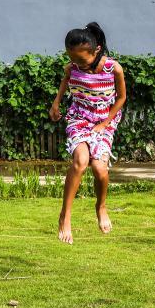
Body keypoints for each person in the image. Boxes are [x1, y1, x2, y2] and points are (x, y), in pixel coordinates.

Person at [50, 22, 127, 245]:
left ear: (96, 50)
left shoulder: (113, 68)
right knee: (80, 161)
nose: (77, 64)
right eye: (72, 58)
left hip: (104, 120)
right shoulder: (72, 67)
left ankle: (101, 206)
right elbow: (65, 82)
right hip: (79, 117)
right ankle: (65, 216)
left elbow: (121, 98)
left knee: (100, 169)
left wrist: (104, 124)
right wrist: (56, 103)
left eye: (82, 60)